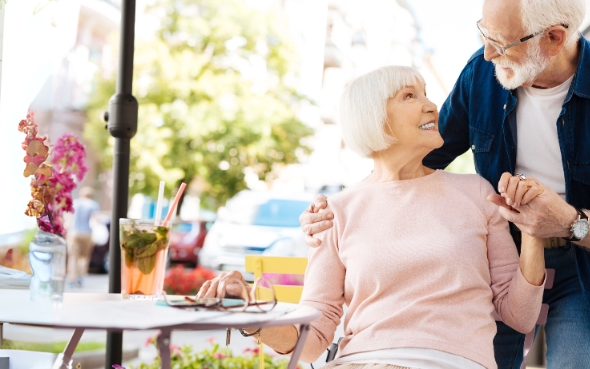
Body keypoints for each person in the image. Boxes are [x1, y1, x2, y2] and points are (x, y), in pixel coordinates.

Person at [299, 0, 590, 369]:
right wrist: (344, 215)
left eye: (503, 41)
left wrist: (568, 222)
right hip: (496, 255)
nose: (488, 52)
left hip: (587, 265)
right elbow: (413, 158)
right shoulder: (484, 73)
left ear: (553, 38)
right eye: (485, 33)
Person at [198, 66, 547, 369]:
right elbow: (316, 338)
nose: (431, 105)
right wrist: (252, 314)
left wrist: (532, 230)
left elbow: (519, 315)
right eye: (410, 96)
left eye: (426, 94)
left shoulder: (475, 192)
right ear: (375, 117)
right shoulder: (335, 211)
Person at [67, 187, 100, 288]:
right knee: (84, 257)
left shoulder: (75, 203)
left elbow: (68, 218)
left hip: (74, 232)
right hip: (87, 233)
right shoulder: (93, 205)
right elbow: (95, 220)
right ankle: (80, 278)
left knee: (73, 257)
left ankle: (72, 280)